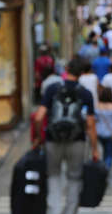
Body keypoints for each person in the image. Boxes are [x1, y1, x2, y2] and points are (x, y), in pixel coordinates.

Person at [34, 58, 99, 214]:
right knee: (74, 177)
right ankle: (70, 211)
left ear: (66, 69)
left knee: (54, 176)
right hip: (77, 141)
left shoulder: (51, 89)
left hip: (52, 140)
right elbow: (90, 125)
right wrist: (95, 148)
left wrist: (39, 138)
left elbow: (38, 117)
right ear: (81, 73)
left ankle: (54, 210)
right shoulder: (86, 93)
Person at [95, 87, 112, 169]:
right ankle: (106, 169)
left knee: (104, 150)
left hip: (100, 132)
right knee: (110, 153)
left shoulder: (97, 106)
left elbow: (95, 119)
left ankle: (103, 166)